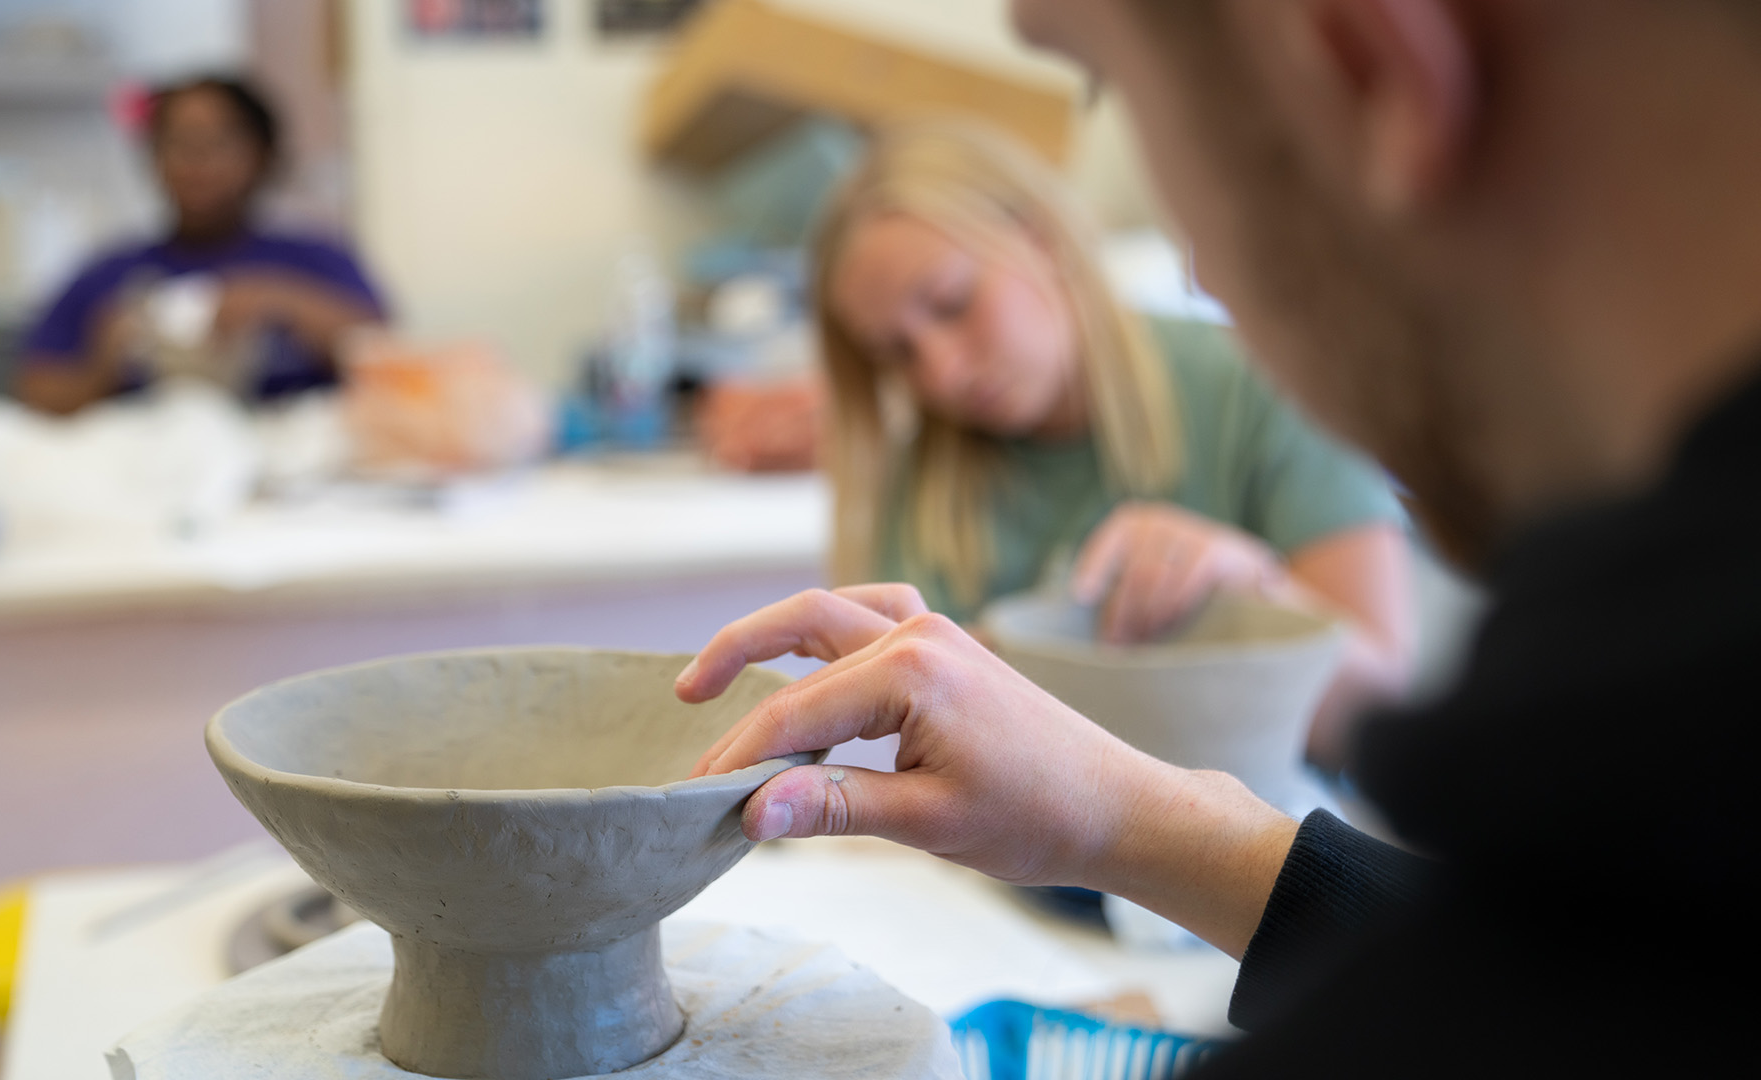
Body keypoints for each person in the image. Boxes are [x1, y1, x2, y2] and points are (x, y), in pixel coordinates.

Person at [673, 0, 1756, 1073]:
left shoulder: (1244, 391)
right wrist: (1138, 826)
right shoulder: (1641, 841)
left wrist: (1255, 590)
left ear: (1369, 63)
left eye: (1124, 93)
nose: (1201, 272)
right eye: (897, 351)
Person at [812, 122, 1414, 763]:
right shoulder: (931, 474)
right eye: (895, 353)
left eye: (952, 303)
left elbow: (1381, 717)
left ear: (1041, 237)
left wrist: (1251, 584)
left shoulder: (1260, 390)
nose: (941, 375)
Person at [15, 77, 384, 414]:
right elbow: (34, 396)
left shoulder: (315, 259)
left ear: (261, 155)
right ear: (152, 159)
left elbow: (392, 361)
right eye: (178, 144)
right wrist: (104, 362)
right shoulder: (106, 276)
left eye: (217, 143)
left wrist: (284, 301)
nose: (196, 163)